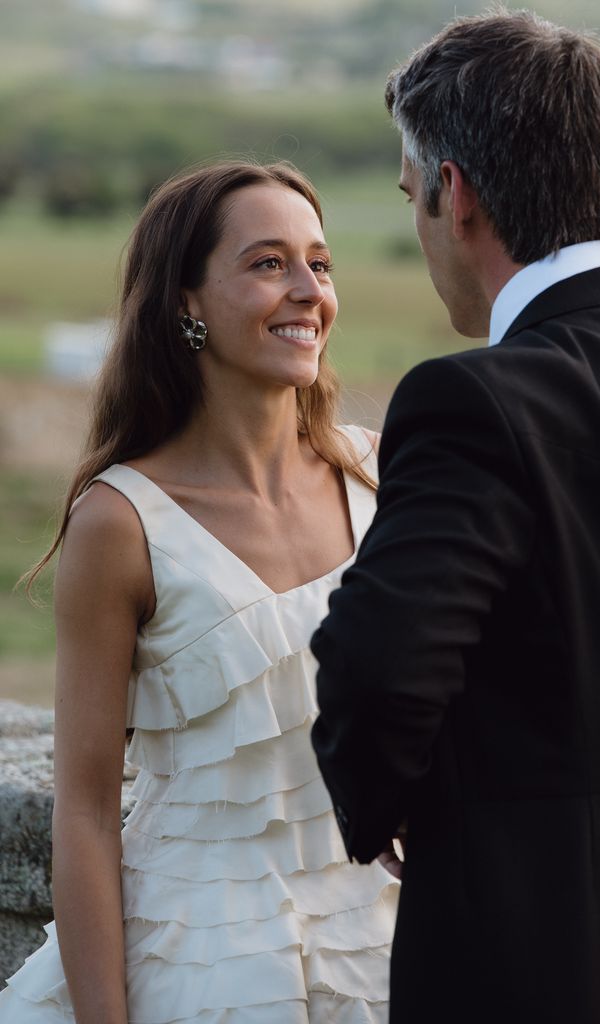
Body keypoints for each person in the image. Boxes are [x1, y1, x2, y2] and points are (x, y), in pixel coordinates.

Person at [311, 10, 600, 1023]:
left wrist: (378, 795)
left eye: (409, 194)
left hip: (537, 941)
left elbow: (378, 666)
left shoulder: (472, 402)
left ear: (453, 194)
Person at [0, 160, 398, 1023]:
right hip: (198, 960)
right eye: (267, 264)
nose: (306, 291)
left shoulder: (380, 473)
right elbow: (85, 814)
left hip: (384, 947)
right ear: (186, 303)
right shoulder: (121, 522)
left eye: (318, 264)